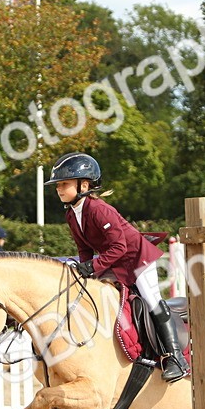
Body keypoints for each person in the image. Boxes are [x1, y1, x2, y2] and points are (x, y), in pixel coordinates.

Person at [45, 151, 189, 382]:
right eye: (58, 185)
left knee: (151, 301)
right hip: (114, 262)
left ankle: (175, 358)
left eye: (64, 184)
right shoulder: (72, 215)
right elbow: (85, 249)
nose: (59, 189)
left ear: (84, 185)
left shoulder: (99, 209)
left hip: (137, 259)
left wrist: (93, 267)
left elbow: (120, 247)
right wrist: (86, 271)